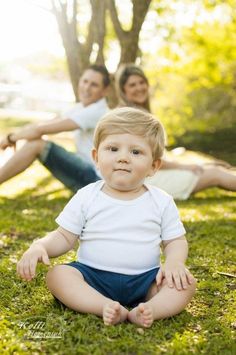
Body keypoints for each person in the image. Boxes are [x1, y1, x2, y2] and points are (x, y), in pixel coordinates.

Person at [17, 107, 196, 328]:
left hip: (146, 280)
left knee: (185, 283)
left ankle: (150, 310)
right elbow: (64, 236)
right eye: (113, 149)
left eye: (136, 152)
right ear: (96, 157)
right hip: (92, 278)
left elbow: (175, 241)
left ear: (154, 166)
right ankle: (104, 306)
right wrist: (40, 246)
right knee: (58, 275)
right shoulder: (87, 196)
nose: (123, 158)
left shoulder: (161, 201)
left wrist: (175, 263)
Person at [116, 64, 236, 200]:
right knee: (215, 173)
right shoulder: (131, 117)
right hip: (149, 180)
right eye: (132, 85)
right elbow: (151, 160)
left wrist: (199, 165)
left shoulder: (138, 113)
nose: (139, 88)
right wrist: (190, 166)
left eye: (141, 82)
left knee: (215, 169)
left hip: (152, 175)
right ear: (123, 90)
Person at [0, 65, 110, 192]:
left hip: (96, 181)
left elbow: (40, 130)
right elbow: (42, 125)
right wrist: (19, 134)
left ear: (105, 90)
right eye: (85, 81)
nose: (87, 88)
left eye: (94, 85)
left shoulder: (97, 111)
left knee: (37, 145)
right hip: (87, 172)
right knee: (36, 142)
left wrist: (10, 138)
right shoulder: (81, 108)